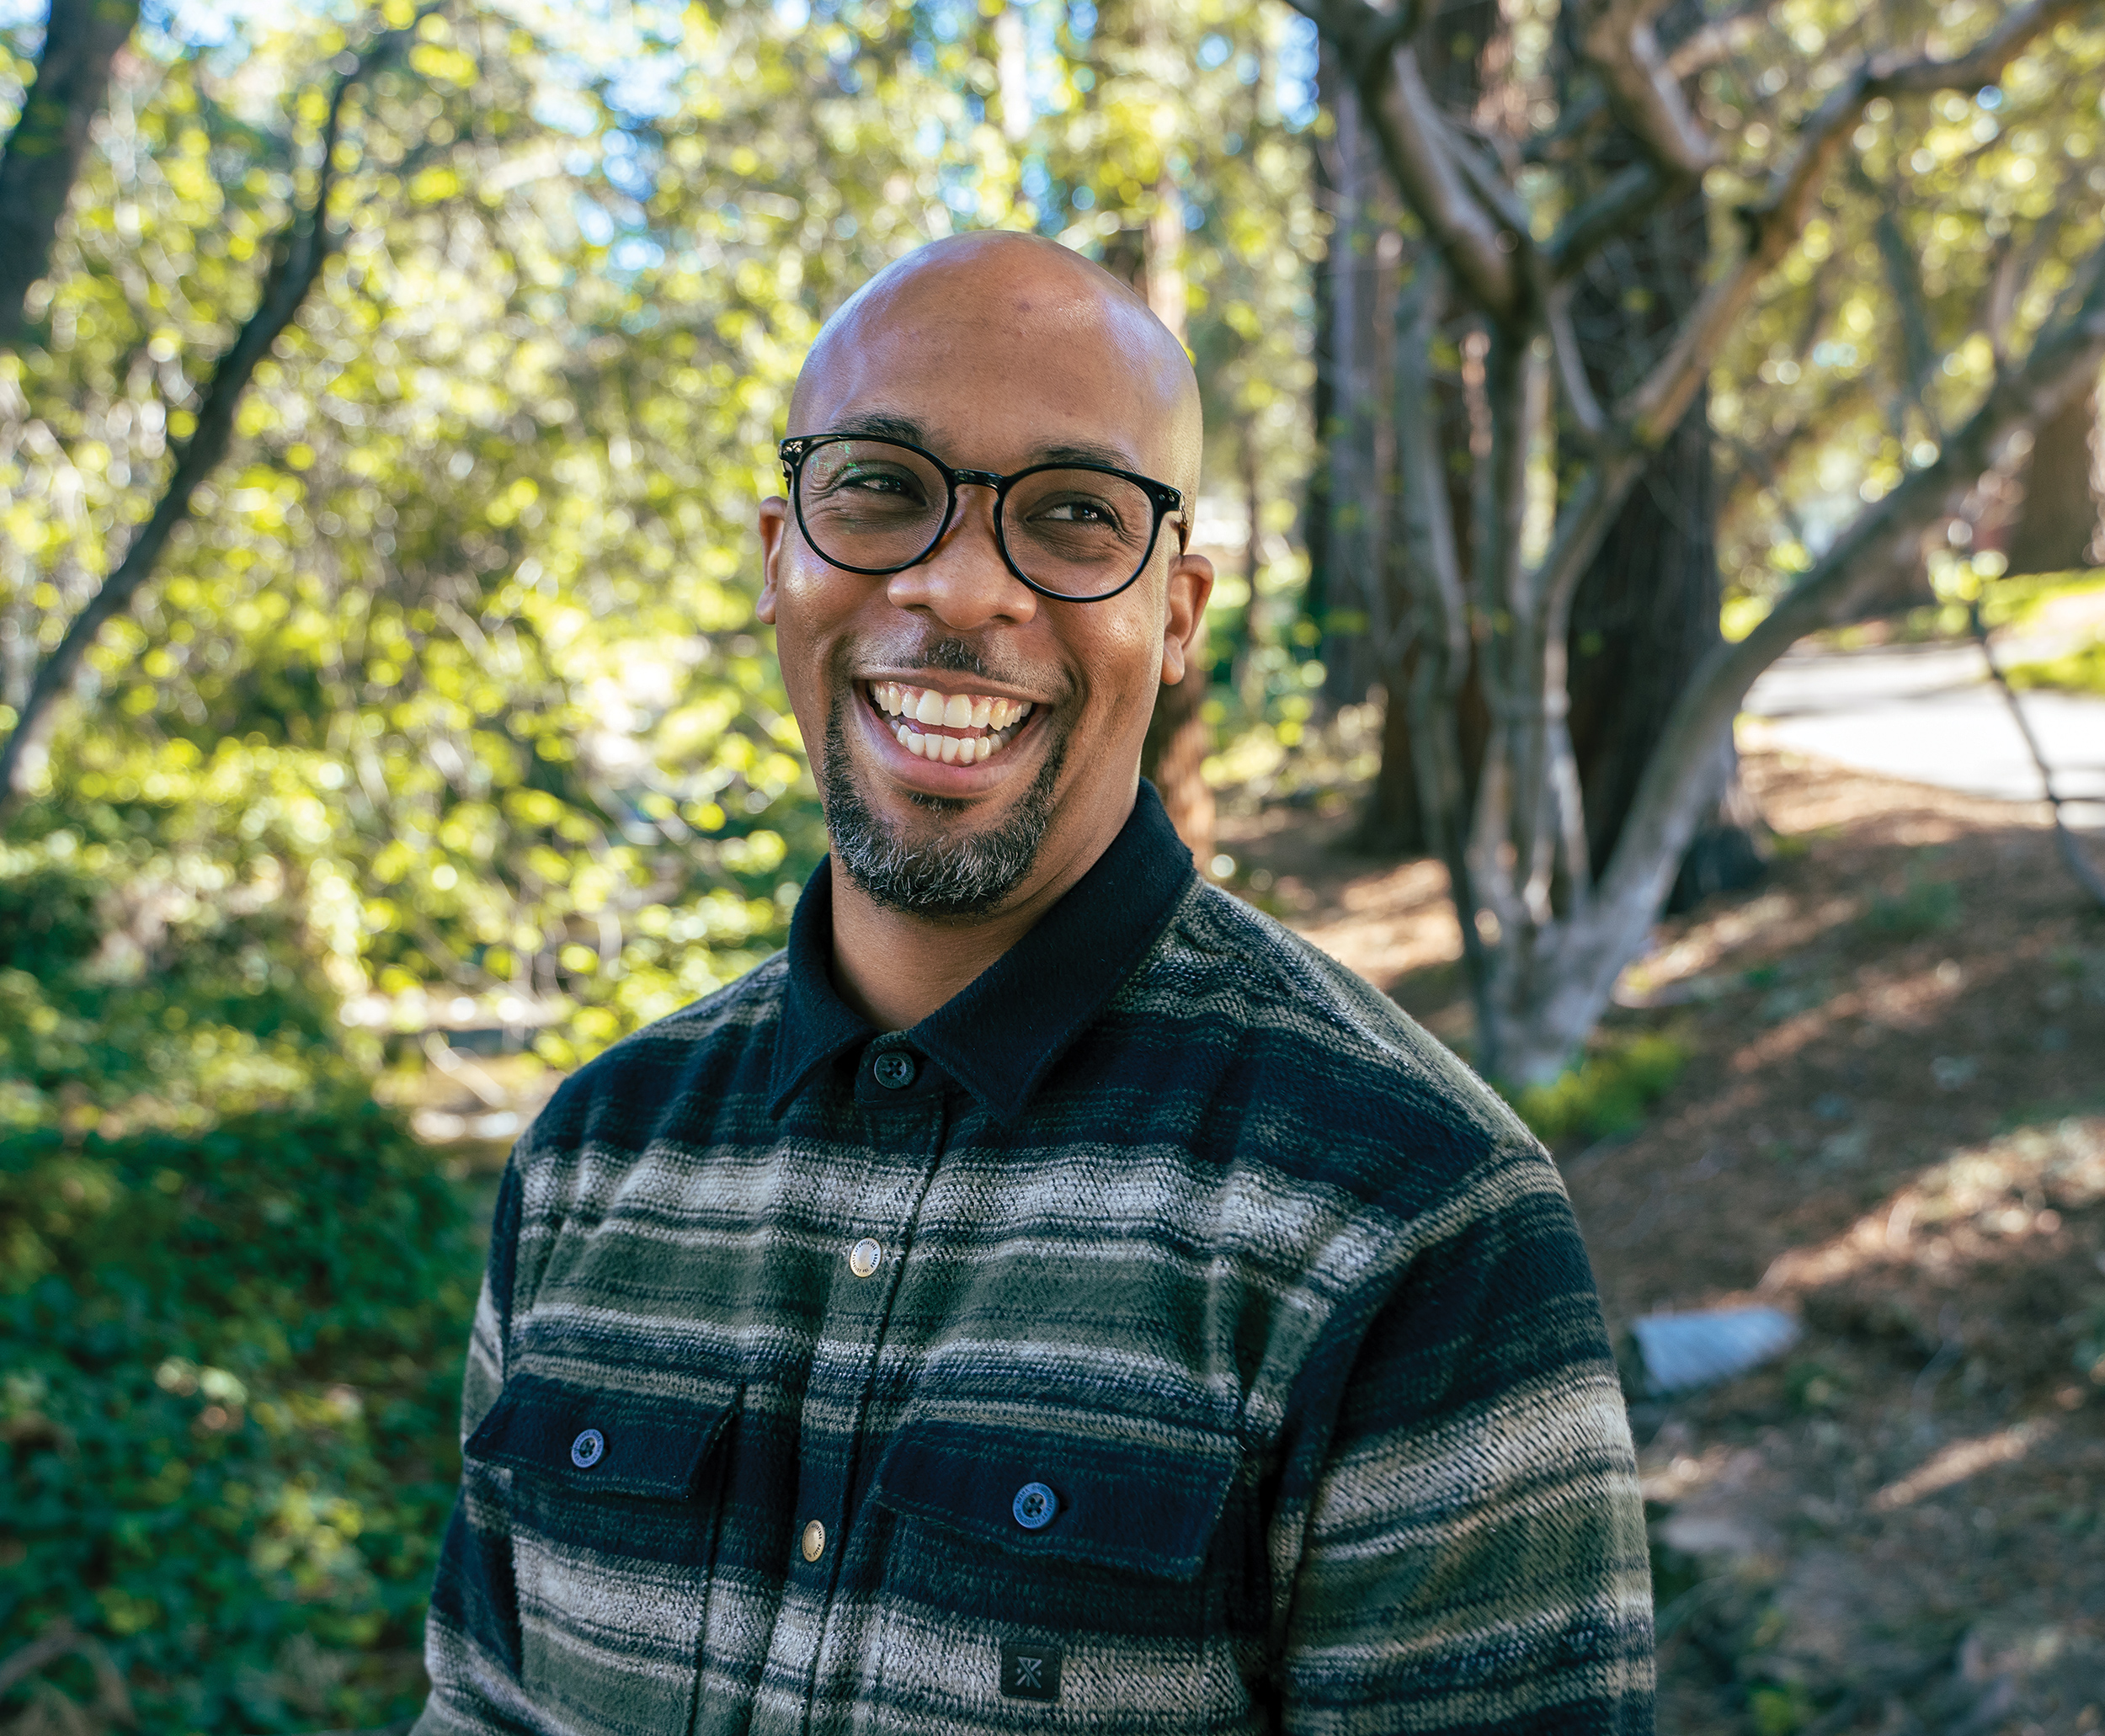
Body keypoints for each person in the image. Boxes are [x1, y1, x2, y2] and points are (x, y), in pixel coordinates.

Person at [413, 232, 1654, 1736]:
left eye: (1073, 516)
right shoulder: (596, 1154)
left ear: (1179, 612)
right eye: (879, 486)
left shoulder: (1413, 1214)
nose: (955, 585)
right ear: (776, 556)